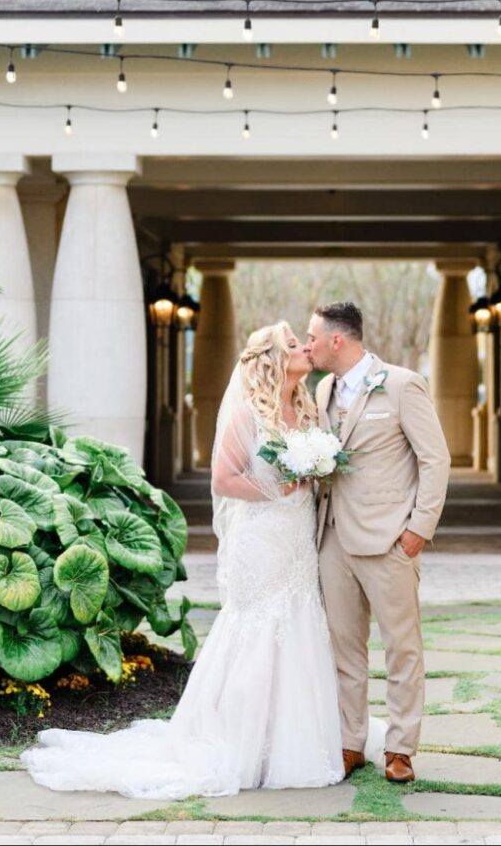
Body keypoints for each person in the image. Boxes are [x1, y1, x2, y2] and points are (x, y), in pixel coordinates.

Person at [21, 321, 354, 799]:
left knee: (299, 623)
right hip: (260, 540)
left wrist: (314, 470)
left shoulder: (306, 405)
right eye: (295, 345)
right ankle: (240, 742)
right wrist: (275, 487)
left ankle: (293, 743)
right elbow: (223, 480)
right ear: (274, 359)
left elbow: (317, 467)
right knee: (257, 628)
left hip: (297, 540)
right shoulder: (247, 413)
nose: (305, 348)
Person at [304, 301, 448, 784]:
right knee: (344, 649)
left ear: (337, 341)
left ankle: (401, 749)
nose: (308, 345)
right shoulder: (323, 388)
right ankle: (351, 743)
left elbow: (435, 460)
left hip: (389, 541)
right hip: (332, 540)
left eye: (313, 337)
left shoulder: (403, 384)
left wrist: (417, 531)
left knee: (402, 648)